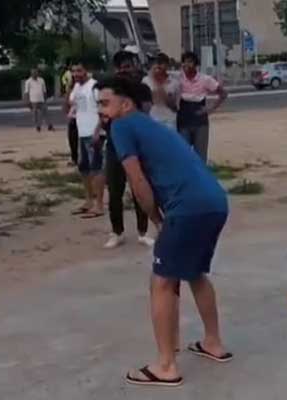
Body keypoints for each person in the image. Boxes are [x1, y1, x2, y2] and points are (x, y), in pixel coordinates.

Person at [96, 77, 232, 388]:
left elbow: (138, 182)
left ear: (125, 104)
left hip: (188, 207)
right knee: (194, 272)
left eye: (105, 103)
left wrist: (156, 219)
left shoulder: (122, 127)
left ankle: (166, 366)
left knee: (161, 281)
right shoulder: (152, 125)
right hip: (214, 201)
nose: (102, 110)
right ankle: (213, 343)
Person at [102, 50, 154, 249]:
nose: (126, 70)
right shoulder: (108, 91)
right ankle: (117, 232)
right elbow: (104, 114)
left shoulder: (141, 89)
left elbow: (145, 113)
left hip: (137, 145)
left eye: (129, 66)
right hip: (115, 144)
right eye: (122, 67)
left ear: (134, 67)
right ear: (116, 69)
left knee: (139, 187)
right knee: (115, 190)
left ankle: (143, 231)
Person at [68, 61, 105, 219]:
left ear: (86, 71)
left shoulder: (94, 86)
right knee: (84, 168)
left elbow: (103, 109)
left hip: (93, 132)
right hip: (81, 132)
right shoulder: (76, 87)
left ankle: (100, 204)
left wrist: (98, 130)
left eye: (79, 71)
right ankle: (88, 200)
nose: (76, 74)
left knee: (96, 168)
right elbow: (70, 104)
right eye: (74, 71)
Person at [177, 51, 228, 162]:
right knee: (183, 155)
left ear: (196, 64)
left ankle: (200, 178)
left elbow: (223, 94)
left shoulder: (205, 79)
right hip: (183, 121)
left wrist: (210, 108)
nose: (186, 65)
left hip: (200, 121)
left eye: (189, 62)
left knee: (200, 156)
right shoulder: (178, 79)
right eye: (184, 62)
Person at [142, 53, 180, 130]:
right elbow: (144, 102)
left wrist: (159, 85)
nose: (158, 65)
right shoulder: (146, 80)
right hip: (152, 120)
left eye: (161, 63)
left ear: (167, 65)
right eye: (155, 63)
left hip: (169, 120)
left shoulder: (174, 82)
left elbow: (175, 106)